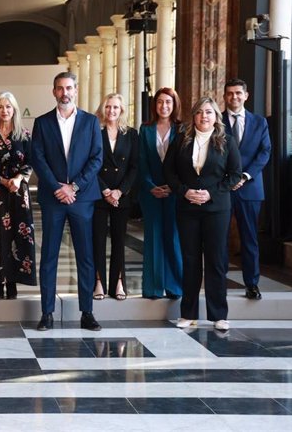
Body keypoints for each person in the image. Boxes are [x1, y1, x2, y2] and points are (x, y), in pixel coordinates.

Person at [30, 71, 103, 332]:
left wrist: (74, 186)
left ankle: (87, 312)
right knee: (48, 256)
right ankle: (47, 312)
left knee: (85, 256)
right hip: (53, 198)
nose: (65, 93)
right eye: (60, 88)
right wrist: (57, 187)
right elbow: (37, 158)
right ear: (54, 92)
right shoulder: (42, 123)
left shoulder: (91, 122)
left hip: (82, 198)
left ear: (76, 90)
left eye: (69, 88)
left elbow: (96, 158)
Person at [163, 97, 242, 331]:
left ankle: (219, 314)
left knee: (216, 261)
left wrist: (211, 193)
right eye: (199, 112)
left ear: (216, 116)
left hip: (216, 209)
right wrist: (184, 191)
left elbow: (234, 174)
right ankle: (188, 313)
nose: (204, 116)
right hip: (187, 208)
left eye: (208, 112)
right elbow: (169, 171)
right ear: (193, 116)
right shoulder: (181, 140)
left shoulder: (227, 141)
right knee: (190, 260)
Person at [0, 91, 36, 299]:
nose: (4, 110)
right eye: (0, 107)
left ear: (15, 109)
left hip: (18, 194)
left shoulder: (24, 134)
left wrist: (19, 179)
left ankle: (12, 281)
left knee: (18, 236)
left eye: (8, 107)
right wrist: (3, 180)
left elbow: (31, 161)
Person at [222, 78, 271, 300]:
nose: (234, 97)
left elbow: (264, 152)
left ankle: (252, 284)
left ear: (246, 95)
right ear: (225, 96)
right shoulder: (216, 121)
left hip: (250, 188)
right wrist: (228, 178)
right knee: (218, 237)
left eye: (238, 93)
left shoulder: (259, 122)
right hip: (222, 188)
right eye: (230, 93)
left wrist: (244, 176)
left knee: (249, 238)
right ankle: (218, 281)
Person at [138, 87, 184, 300]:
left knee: (173, 238)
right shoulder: (145, 129)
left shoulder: (182, 129)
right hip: (151, 192)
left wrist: (173, 187)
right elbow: (142, 162)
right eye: (159, 102)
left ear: (174, 105)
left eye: (168, 102)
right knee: (154, 238)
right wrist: (150, 186)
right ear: (154, 105)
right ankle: (154, 288)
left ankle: (175, 287)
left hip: (175, 192)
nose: (164, 106)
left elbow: (185, 163)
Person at [92, 93, 139, 301]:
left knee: (120, 240)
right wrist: (105, 190)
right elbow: (90, 164)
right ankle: (98, 282)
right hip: (99, 194)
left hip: (122, 196)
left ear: (122, 110)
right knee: (98, 240)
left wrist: (120, 191)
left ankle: (118, 282)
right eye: (108, 107)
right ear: (103, 109)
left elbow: (134, 167)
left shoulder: (131, 134)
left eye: (116, 107)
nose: (111, 111)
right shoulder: (94, 131)